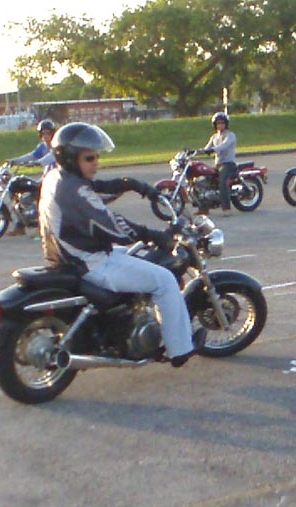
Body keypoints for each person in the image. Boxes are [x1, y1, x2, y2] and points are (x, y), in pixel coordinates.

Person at [39, 122, 204, 368]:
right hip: (89, 261)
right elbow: (114, 227)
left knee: (133, 255)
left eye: (96, 157)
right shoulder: (75, 191)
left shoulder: (57, 177)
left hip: (69, 255)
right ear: (72, 159)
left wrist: (131, 184)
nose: (96, 162)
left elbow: (98, 190)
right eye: (89, 158)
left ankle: (130, 320)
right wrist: (156, 235)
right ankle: (180, 350)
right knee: (165, 280)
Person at [203, 112, 237, 215]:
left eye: (222, 123)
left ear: (226, 124)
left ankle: (226, 209)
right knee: (204, 181)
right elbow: (206, 148)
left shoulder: (230, 135)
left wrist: (213, 149)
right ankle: (203, 208)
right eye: (218, 123)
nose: (220, 125)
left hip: (228, 164)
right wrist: (195, 151)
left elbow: (224, 146)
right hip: (218, 165)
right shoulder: (214, 137)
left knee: (223, 182)